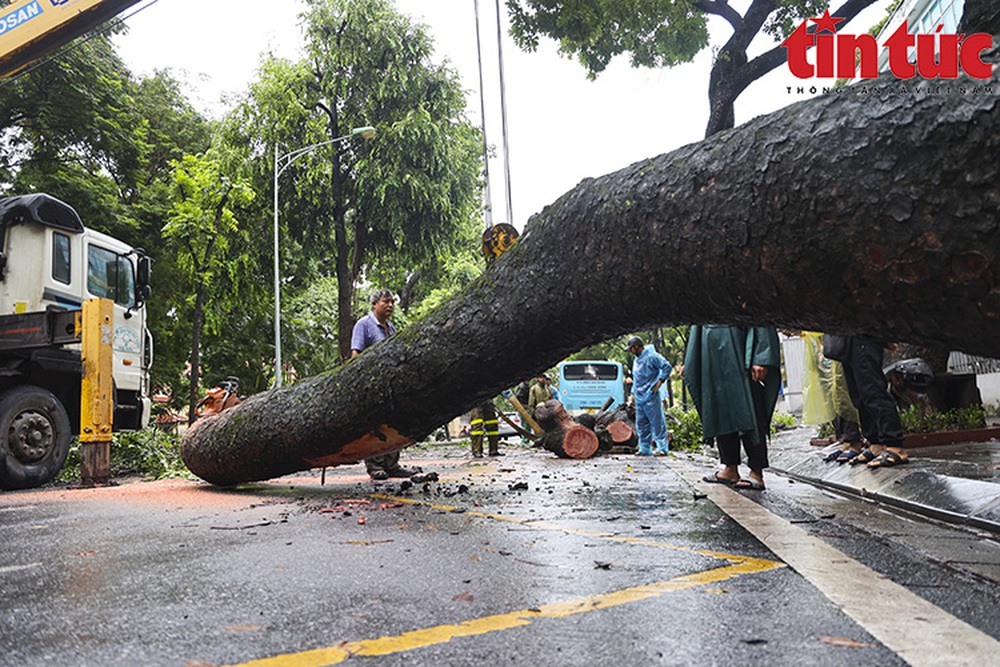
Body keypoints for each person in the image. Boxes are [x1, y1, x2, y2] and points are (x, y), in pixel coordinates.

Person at [684, 325, 781, 490]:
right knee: (720, 412)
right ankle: (730, 468)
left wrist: (761, 356)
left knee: (750, 411)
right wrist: (693, 361)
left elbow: (761, 318)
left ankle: (756, 472)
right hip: (713, 359)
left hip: (742, 354)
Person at [351, 289, 420, 481]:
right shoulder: (364, 325)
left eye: (392, 302)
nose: (390, 305)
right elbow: (356, 354)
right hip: (372, 384)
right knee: (375, 426)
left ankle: (392, 464)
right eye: (385, 301)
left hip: (391, 385)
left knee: (392, 425)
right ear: (374, 304)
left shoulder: (390, 327)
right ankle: (375, 466)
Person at [838, 335, 908, 468]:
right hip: (846, 335)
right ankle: (876, 443)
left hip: (863, 333)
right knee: (858, 395)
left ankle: (895, 445)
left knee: (872, 389)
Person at [627, 336, 672, 456]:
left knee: (657, 423)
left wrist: (660, 382)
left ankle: (662, 448)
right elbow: (637, 379)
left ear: (637, 347)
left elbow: (667, 367)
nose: (631, 351)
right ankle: (644, 448)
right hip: (640, 396)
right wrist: (633, 393)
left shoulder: (652, 356)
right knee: (641, 424)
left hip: (651, 395)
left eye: (631, 348)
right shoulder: (637, 360)